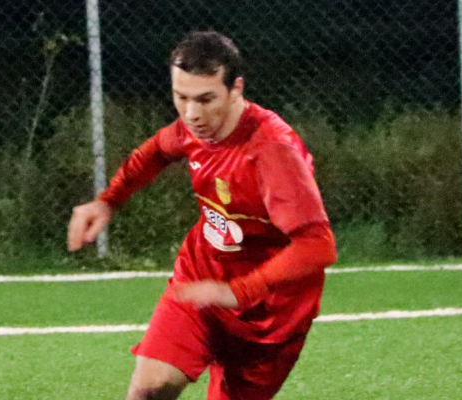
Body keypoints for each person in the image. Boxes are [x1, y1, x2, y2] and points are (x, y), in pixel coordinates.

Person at [67, 30, 338, 400]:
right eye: (181, 97)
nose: (192, 114)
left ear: (236, 89)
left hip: (271, 313)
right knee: (149, 390)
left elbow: (317, 246)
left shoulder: (272, 151)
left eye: (206, 99)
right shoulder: (194, 129)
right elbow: (155, 152)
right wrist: (108, 200)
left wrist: (238, 291)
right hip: (200, 281)